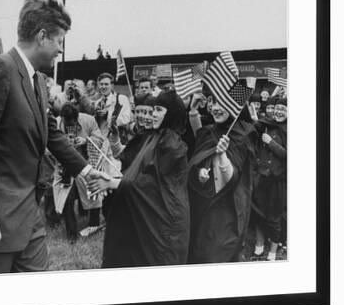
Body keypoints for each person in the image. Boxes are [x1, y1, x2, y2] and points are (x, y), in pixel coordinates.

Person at [0, 0, 103, 274]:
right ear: (42, 36)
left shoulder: (38, 81)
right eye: (59, 41)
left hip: (29, 215)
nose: (60, 49)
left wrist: (85, 170)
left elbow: (51, 134)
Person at [88, 91, 190, 267]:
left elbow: (151, 184)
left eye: (159, 110)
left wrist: (111, 183)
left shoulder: (171, 143)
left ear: (171, 113)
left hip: (165, 218)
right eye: (153, 110)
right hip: (151, 213)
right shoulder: (156, 136)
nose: (153, 114)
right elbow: (134, 169)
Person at [187, 95, 257, 263]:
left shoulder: (244, 132)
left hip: (227, 208)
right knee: (197, 251)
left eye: (222, 103)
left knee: (216, 254)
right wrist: (194, 111)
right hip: (202, 203)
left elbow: (232, 179)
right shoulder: (210, 130)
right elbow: (201, 144)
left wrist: (223, 155)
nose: (215, 107)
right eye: (213, 102)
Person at [52, 102, 104, 242]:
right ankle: (72, 235)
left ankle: (94, 225)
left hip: (86, 163)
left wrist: (86, 140)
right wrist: (62, 145)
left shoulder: (88, 120)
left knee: (93, 193)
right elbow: (47, 146)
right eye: (66, 122)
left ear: (77, 117)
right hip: (65, 167)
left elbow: (100, 139)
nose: (70, 126)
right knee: (67, 199)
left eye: (72, 123)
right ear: (61, 118)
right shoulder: (55, 123)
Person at [251, 97, 287, 260]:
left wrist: (271, 143)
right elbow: (255, 129)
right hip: (262, 178)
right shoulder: (266, 125)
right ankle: (259, 245)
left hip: (278, 182)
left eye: (283, 109)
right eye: (277, 108)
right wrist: (254, 119)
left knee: (274, 217)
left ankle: (272, 251)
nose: (279, 112)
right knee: (258, 213)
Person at [94, 72, 133, 137]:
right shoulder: (97, 103)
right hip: (102, 140)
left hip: (118, 139)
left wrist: (107, 115)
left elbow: (125, 120)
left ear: (112, 86)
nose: (103, 87)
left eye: (106, 84)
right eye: (101, 84)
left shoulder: (121, 99)